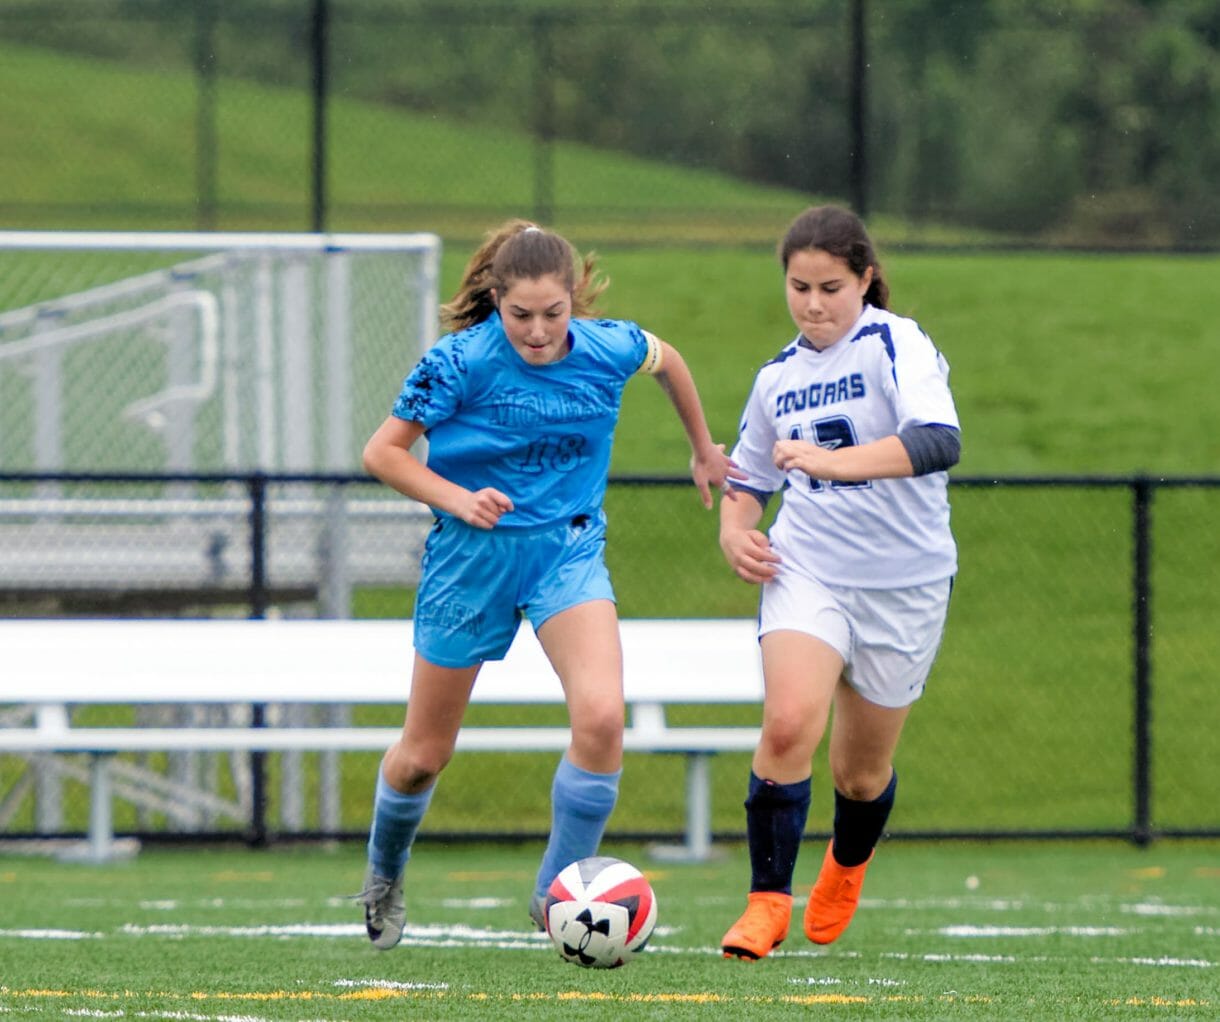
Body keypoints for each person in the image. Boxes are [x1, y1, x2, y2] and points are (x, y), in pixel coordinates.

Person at [356, 218, 742, 950]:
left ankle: (555, 896)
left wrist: (702, 449)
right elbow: (383, 453)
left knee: (601, 719)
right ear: (496, 300)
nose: (537, 332)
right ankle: (384, 872)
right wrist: (457, 498)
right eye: (520, 316)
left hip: (567, 550)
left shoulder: (609, 347)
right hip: (470, 561)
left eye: (553, 314)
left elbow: (671, 362)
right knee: (421, 756)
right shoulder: (458, 362)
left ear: (575, 301)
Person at [717, 205, 961, 961]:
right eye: (799, 287)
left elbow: (938, 440)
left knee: (860, 776)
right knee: (788, 724)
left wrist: (830, 463)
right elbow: (746, 476)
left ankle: (847, 865)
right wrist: (735, 527)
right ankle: (765, 902)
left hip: (906, 583)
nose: (814, 304)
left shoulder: (895, 341)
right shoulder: (776, 377)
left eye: (830, 287)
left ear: (865, 280)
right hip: (809, 568)